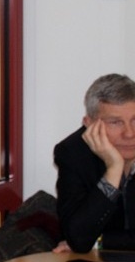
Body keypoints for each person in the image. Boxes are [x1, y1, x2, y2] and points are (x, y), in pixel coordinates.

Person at [54, 72, 135, 253]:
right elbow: (78, 238)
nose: (129, 133)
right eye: (115, 122)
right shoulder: (72, 154)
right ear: (89, 125)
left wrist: (101, 241)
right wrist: (113, 169)